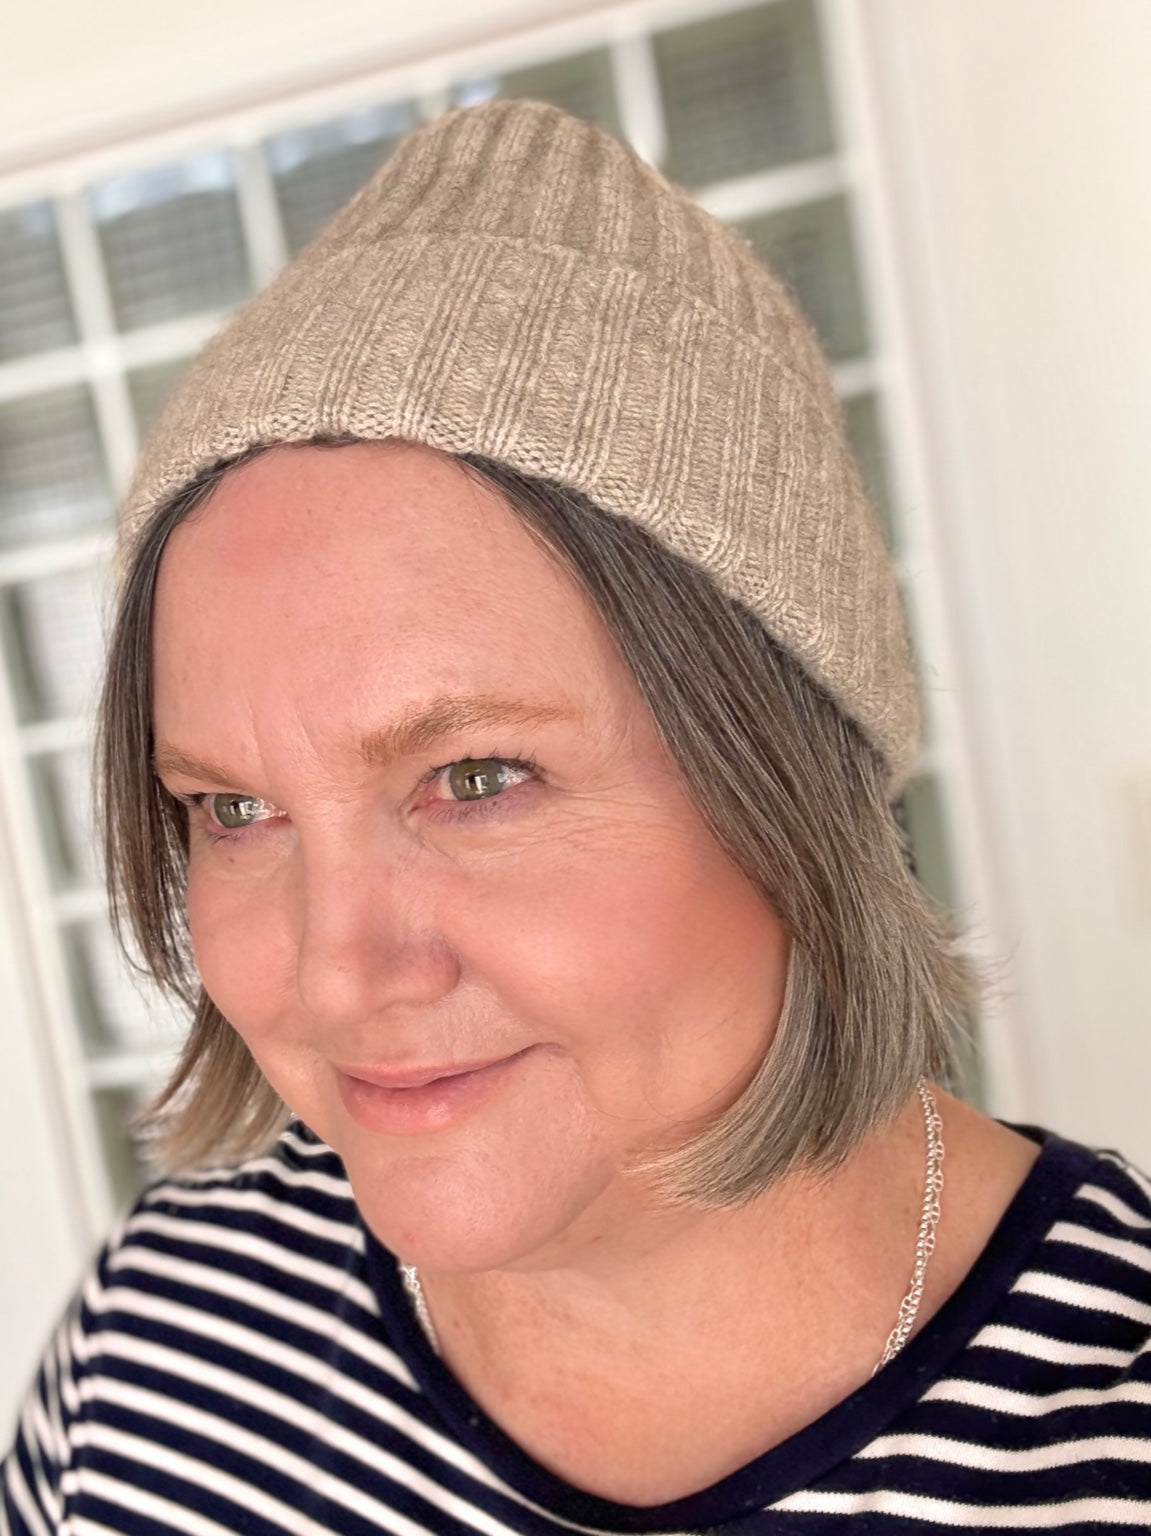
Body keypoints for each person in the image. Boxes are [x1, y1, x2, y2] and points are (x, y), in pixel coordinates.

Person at [4, 99, 1150, 1535]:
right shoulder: (153, 1354)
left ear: (791, 781)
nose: (334, 971)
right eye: (234, 808)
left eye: (475, 778)